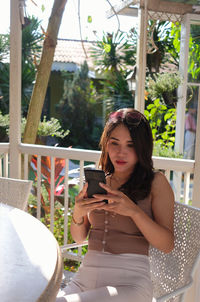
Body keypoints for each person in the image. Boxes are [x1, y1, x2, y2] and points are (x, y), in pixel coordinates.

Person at [56, 108, 175, 302]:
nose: (121, 152)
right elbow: (79, 238)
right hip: (86, 276)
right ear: (106, 144)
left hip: (130, 282)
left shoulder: (156, 182)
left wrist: (133, 211)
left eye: (131, 145)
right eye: (114, 143)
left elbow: (167, 244)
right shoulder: (100, 181)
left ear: (142, 148)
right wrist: (78, 212)